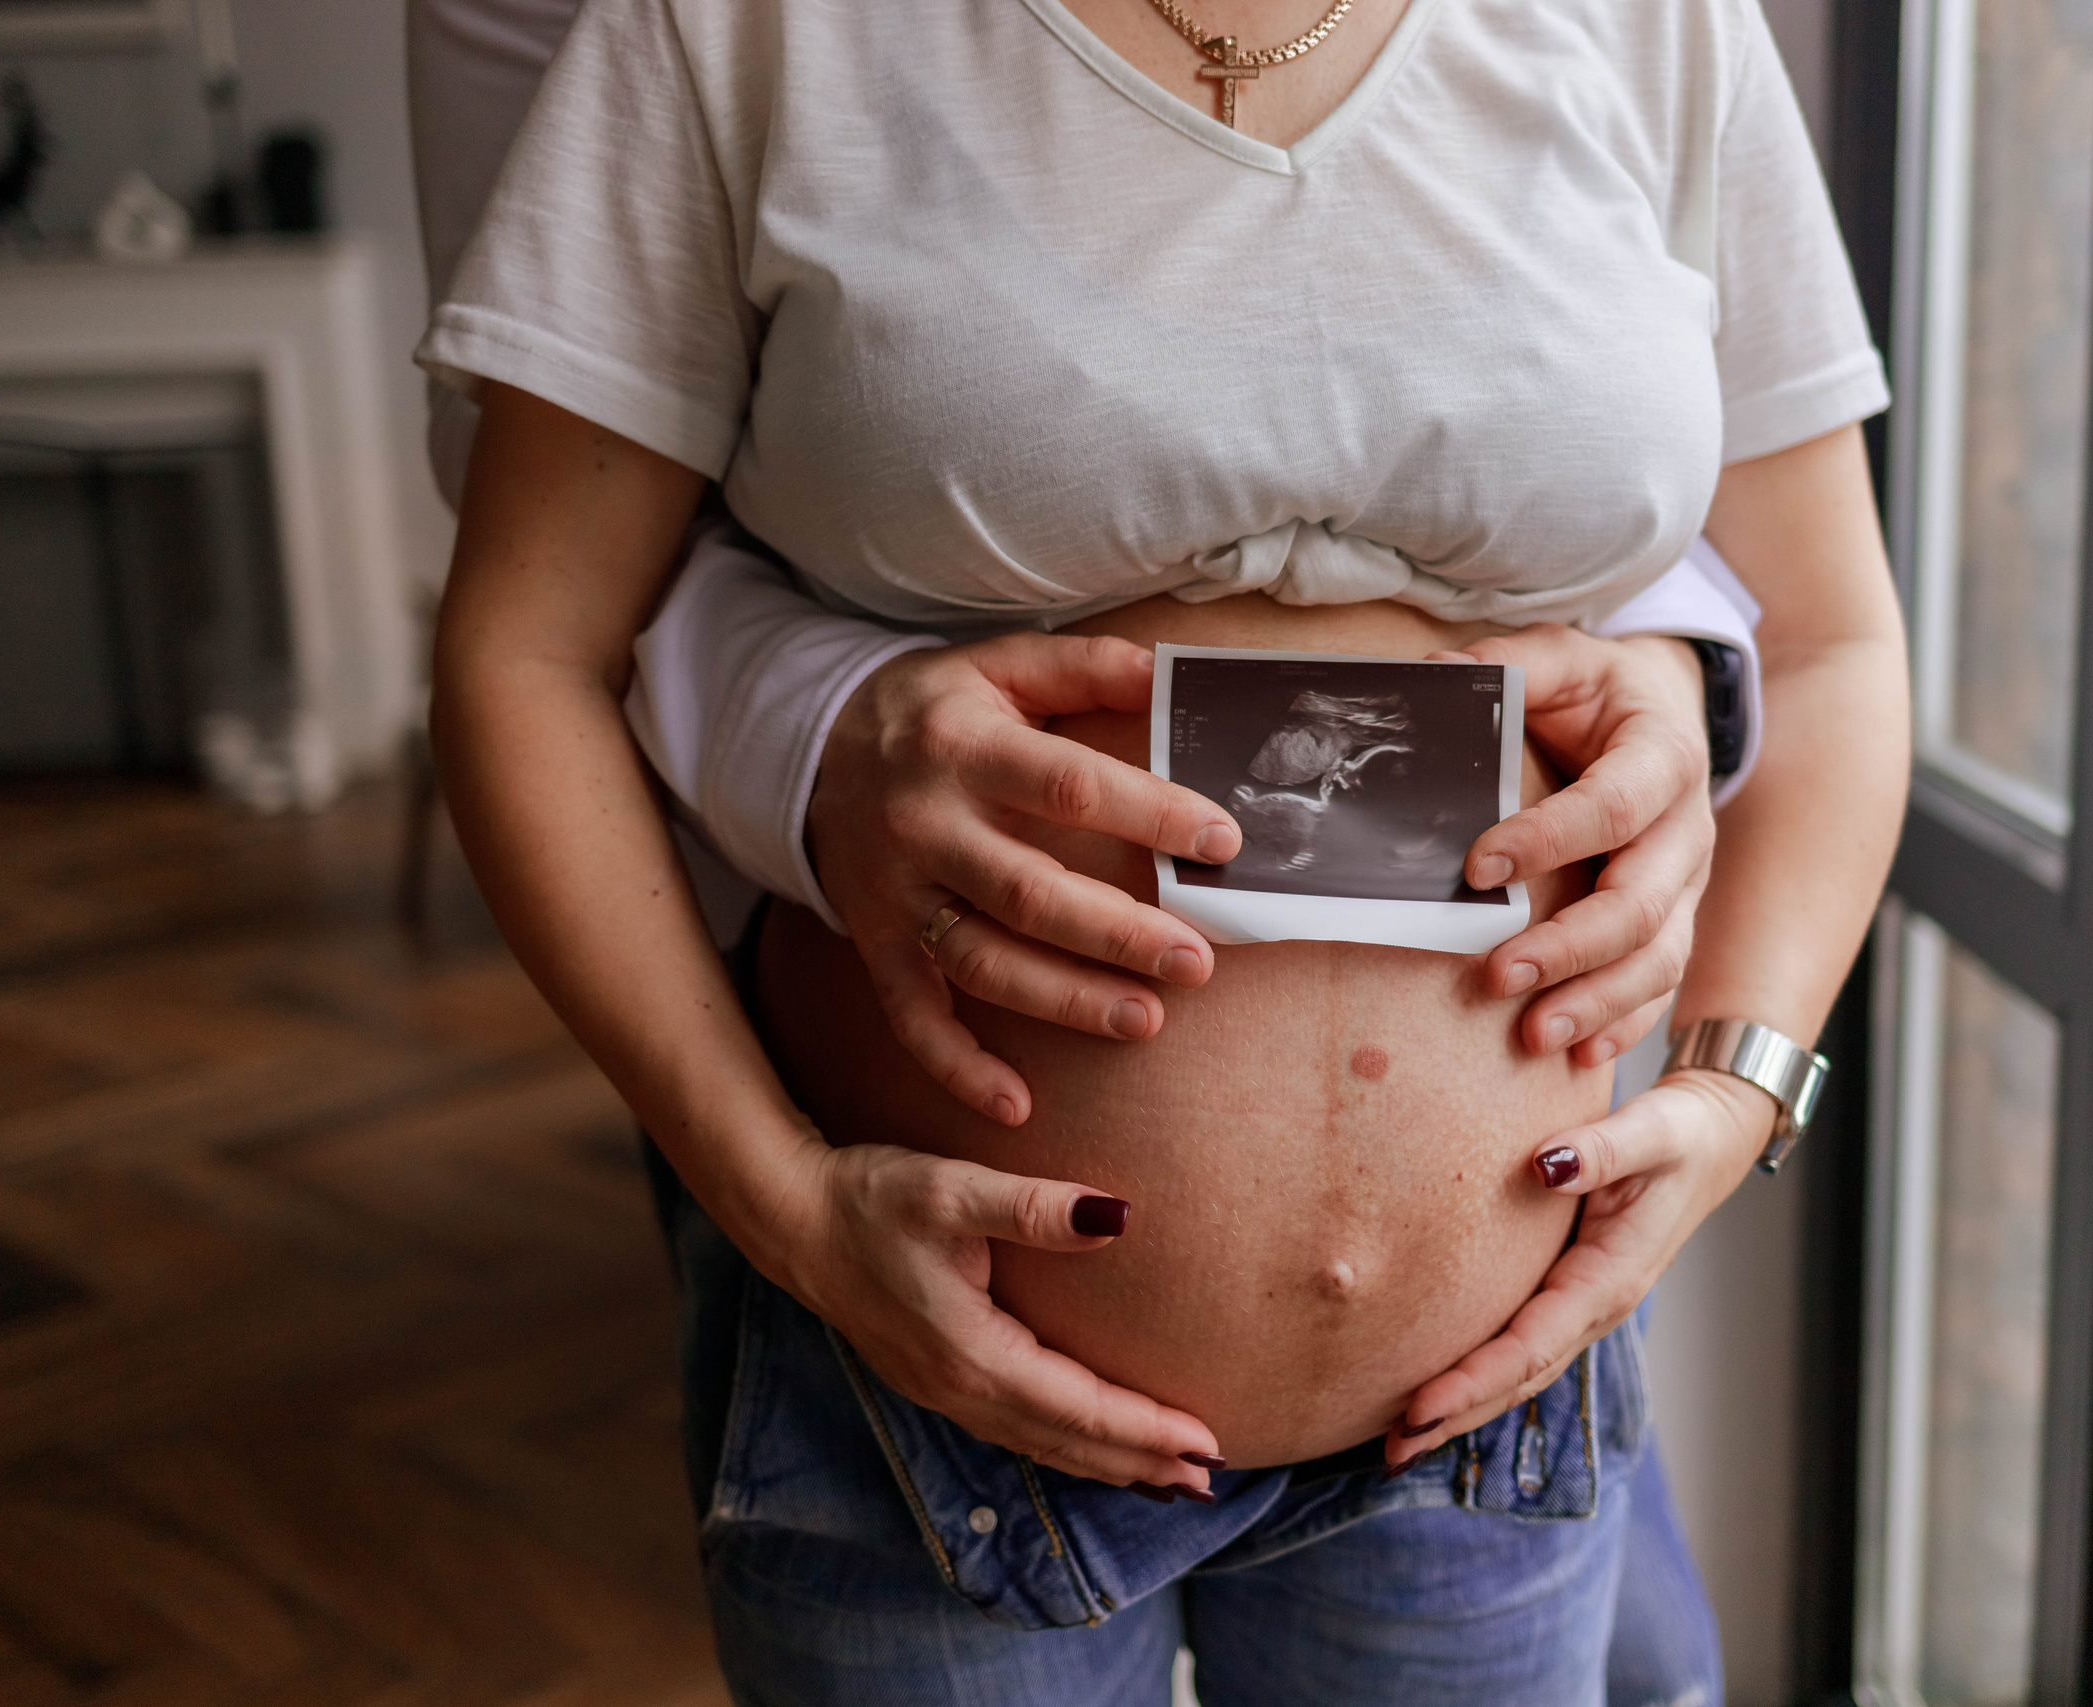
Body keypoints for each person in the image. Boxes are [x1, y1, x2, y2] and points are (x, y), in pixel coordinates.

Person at [408, 0, 1908, 1699]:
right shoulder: (733, 31)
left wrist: (1737, 1093)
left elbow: (1825, 645)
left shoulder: (1656, 26)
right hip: (924, 1371)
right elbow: (526, 650)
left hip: (1490, 1403)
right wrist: (788, 1212)